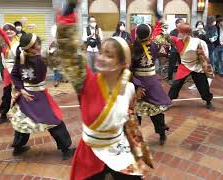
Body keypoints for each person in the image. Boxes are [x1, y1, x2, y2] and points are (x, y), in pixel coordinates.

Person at [55, 2, 153, 179]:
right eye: (101, 52)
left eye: (109, 55)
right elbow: (69, 53)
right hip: (90, 151)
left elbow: (130, 122)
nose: (101, 58)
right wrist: (68, 17)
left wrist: (139, 152)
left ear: (123, 63)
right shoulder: (85, 81)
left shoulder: (128, 88)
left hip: (118, 149)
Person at [6, 32, 74, 159]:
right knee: (54, 121)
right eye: (37, 43)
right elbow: (59, 61)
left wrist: (21, 89)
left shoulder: (22, 56)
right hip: (37, 96)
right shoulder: (42, 58)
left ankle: (18, 147)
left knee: (22, 122)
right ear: (31, 47)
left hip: (25, 96)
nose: (39, 45)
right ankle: (66, 150)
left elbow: (14, 74)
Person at [131, 22, 172, 145]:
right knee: (152, 111)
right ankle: (160, 134)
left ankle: (157, 134)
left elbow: (128, 69)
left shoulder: (135, 47)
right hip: (144, 83)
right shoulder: (150, 46)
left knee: (146, 112)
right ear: (149, 35)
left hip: (143, 83)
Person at [168, 22, 214, 110]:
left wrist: (205, 66)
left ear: (187, 33)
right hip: (184, 66)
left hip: (197, 65)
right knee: (176, 84)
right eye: (179, 32)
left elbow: (205, 56)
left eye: (181, 32)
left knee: (203, 85)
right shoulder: (176, 40)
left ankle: (208, 100)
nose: (179, 34)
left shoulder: (198, 42)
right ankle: (169, 101)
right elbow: (165, 38)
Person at [165, 18, 184, 84]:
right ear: (176, 24)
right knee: (171, 65)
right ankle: (170, 78)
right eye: (181, 23)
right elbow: (170, 42)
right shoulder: (172, 32)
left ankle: (181, 78)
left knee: (182, 65)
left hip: (182, 51)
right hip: (174, 51)